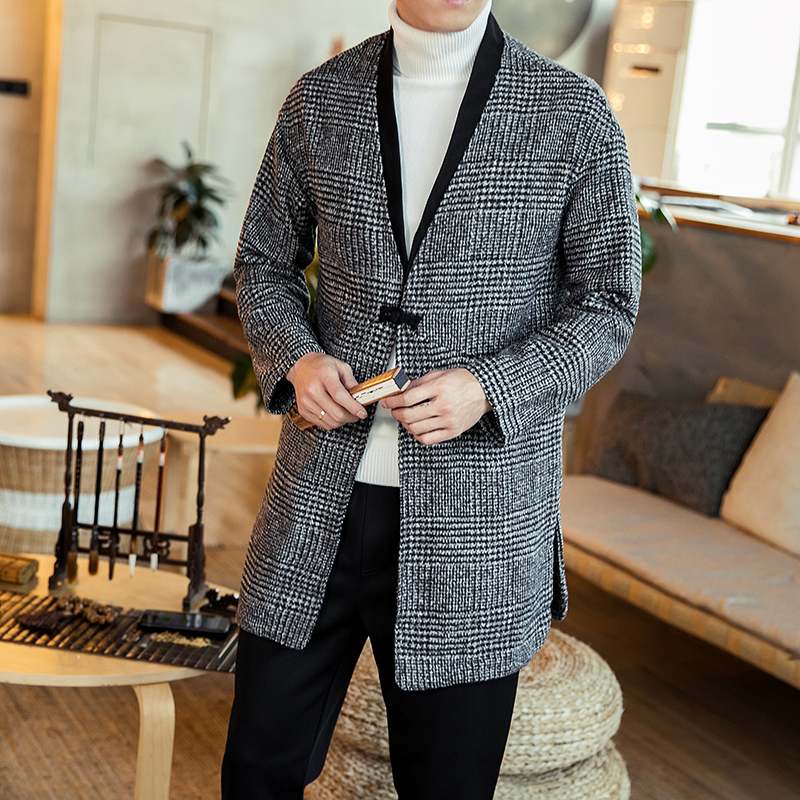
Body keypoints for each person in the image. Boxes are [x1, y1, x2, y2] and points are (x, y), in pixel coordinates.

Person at [222, 0, 641, 797]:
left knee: (446, 786)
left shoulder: (573, 112)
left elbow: (608, 306)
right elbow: (265, 261)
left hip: (477, 523)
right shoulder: (321, 98)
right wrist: (298, 360)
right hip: (317, 504)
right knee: (256, 770)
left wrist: (490, 386)